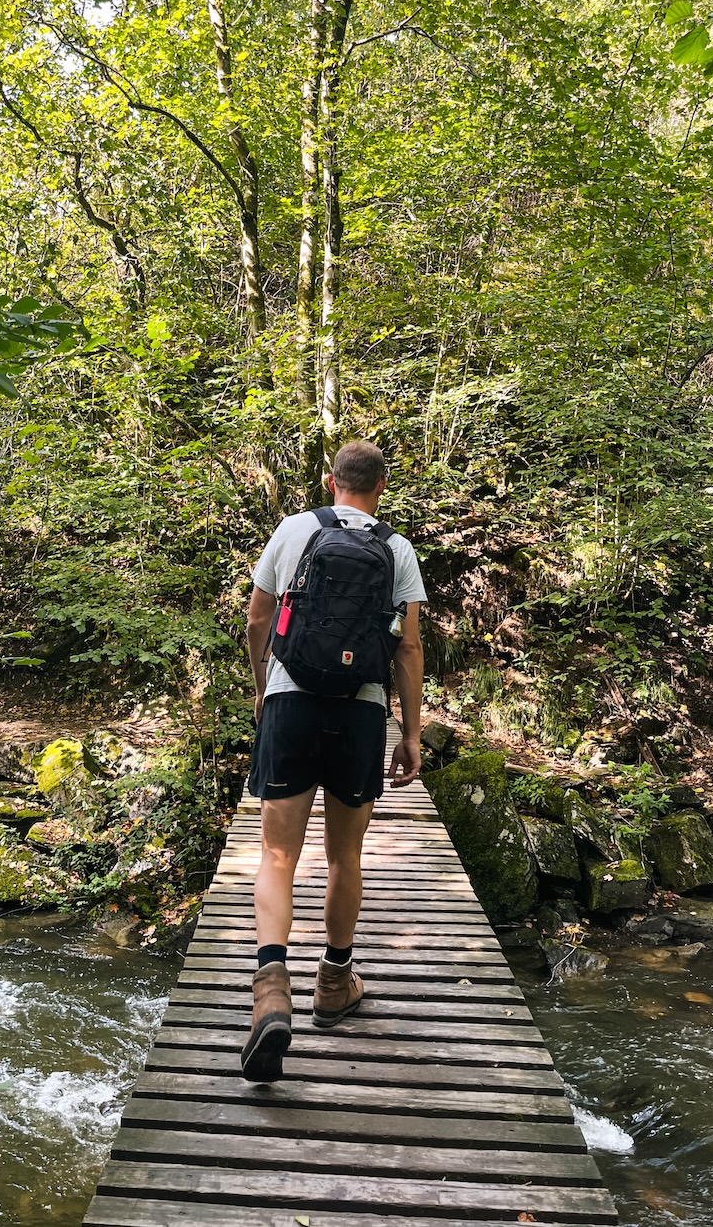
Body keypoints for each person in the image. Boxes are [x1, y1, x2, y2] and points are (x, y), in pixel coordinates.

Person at [241, 440, 426, 1082]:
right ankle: (333, 983)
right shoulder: (396, 549)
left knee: (275, 856)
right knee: (344, 856)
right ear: (381, 486)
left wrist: (265, 690)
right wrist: (410, 732)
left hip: (292, 704)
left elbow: (258, 620)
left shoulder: (294, 530)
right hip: (359, 712)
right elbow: (407, 649)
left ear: (331, 481)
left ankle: (271, 990)